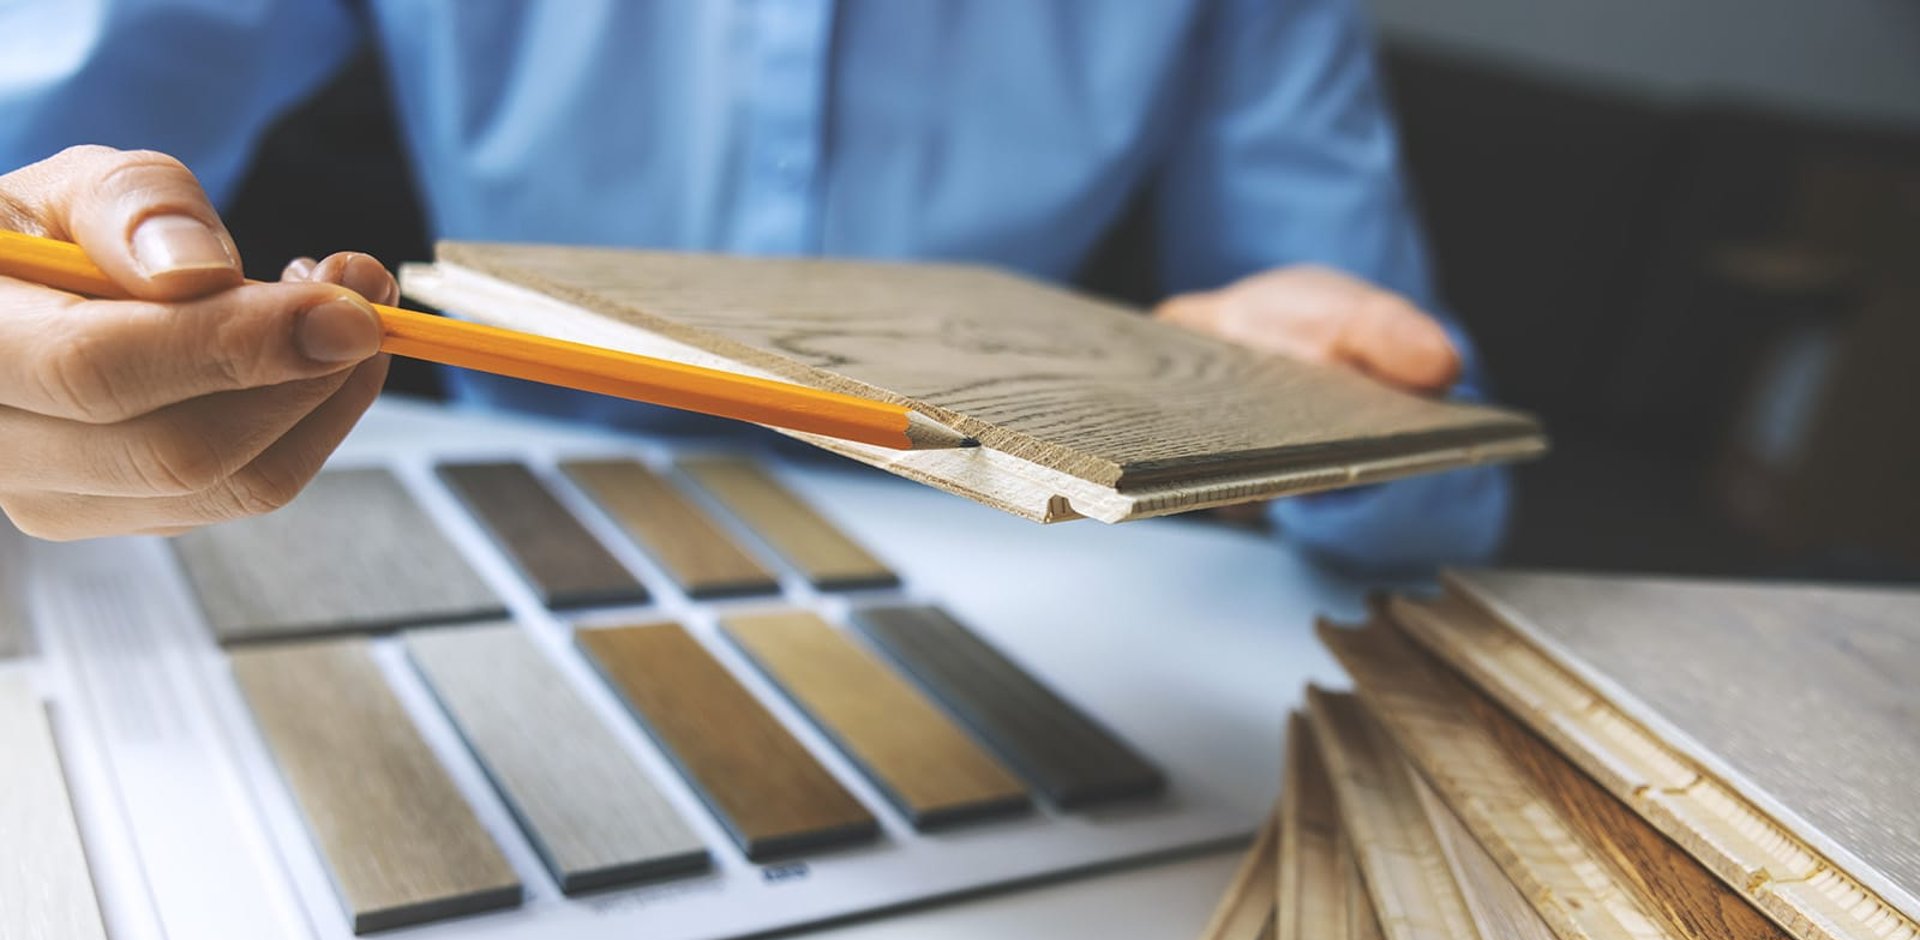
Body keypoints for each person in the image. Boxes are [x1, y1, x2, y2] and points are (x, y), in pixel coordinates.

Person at [0, 0, 1508, 568]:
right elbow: (40, 164)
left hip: (990, 573)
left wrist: (1296, 408)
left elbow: (1433, 484)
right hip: (472, 519)